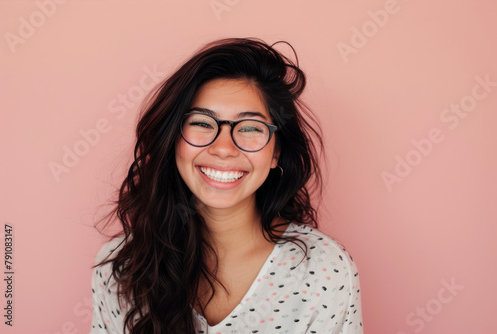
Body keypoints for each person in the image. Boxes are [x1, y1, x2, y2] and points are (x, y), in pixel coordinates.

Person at [90, 37, 363, 334]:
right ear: (173, 142)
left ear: (276, 153)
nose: (223, 148)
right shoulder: (120, 267)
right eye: (202, 123)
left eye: (249, 128)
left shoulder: (325, 271)